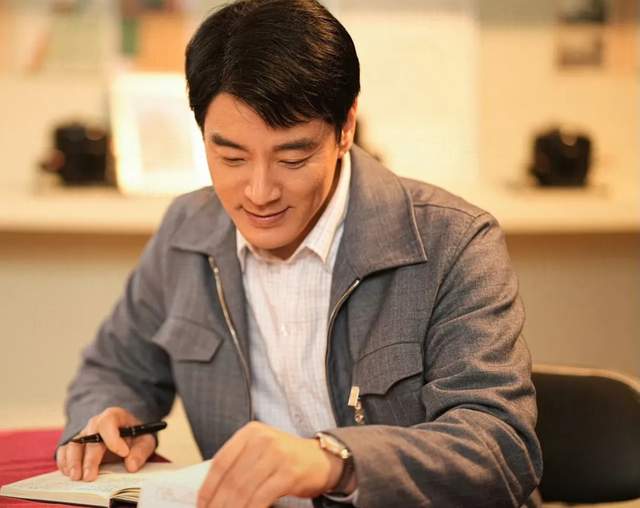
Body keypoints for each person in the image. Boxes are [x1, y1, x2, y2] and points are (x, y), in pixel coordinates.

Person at [56, 1, 543, 506]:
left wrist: (335, 463)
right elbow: (114, 367)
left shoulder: (452, 241)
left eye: (293, 157)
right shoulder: (188, 230)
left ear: (345, 127)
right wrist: (112, 416)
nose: (259, 192)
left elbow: (499, 447)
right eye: (231, 157)